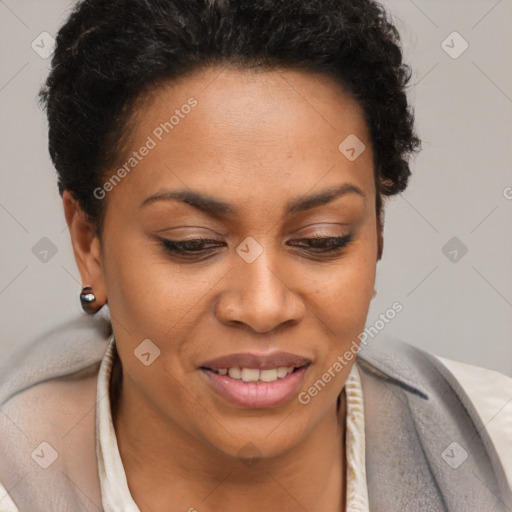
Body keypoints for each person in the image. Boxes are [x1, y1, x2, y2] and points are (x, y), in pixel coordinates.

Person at [0, 0, 511, 510]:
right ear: (89, 245)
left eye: (322, 239)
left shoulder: (497, 448)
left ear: (376, 234)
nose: (264, 307)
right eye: (191, 243)